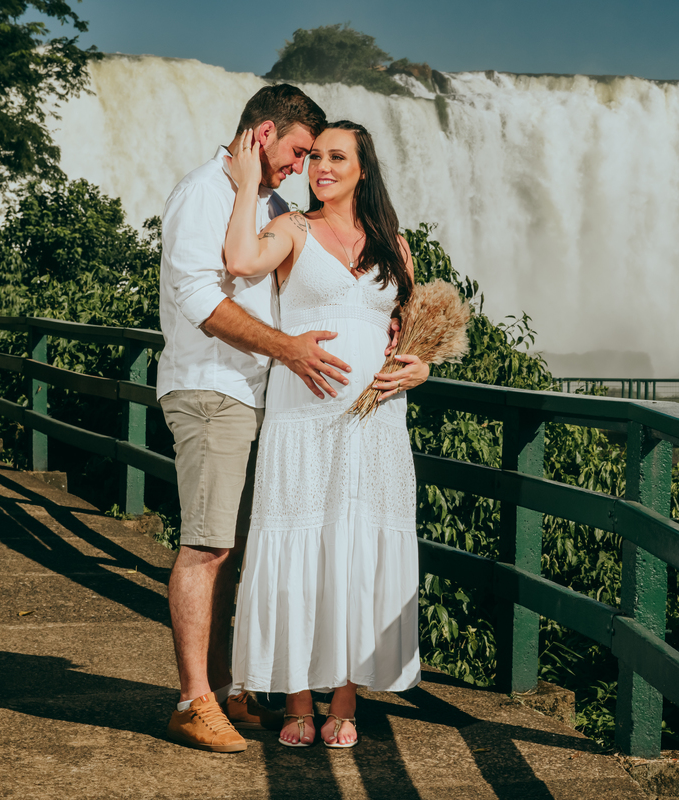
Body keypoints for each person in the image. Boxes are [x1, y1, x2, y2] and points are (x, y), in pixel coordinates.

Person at [158, 84, 355, 753]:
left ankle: (223, 688)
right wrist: (286, 350)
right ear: (265, 132)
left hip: (255, 396)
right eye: (299, 152)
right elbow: (197, 296)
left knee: (234, 552)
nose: (302, 168)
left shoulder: (267, 204)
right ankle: (192, 702)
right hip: (212, 389)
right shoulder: (204, 192)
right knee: (207, 546)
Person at [224, 120, 429, 749]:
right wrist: (247, 186)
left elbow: (413, 327)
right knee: (300, 546)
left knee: (352, 549)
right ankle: (295, 700)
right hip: (304, 416)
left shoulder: (393, 243)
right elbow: (237, 261)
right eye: (314, 156)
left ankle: (344, 699)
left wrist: (422, 368)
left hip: (376, 424)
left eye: (337, 157)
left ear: (363, 168)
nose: (322, 167)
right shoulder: (292, 227)